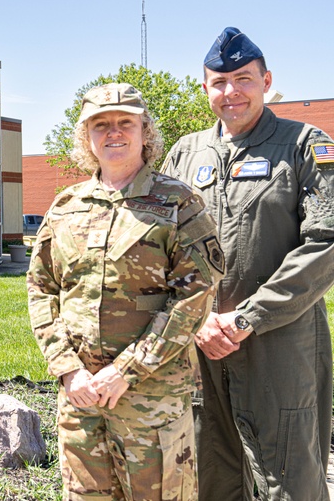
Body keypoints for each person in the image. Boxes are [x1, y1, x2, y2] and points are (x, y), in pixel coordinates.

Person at [161, 27, 334, 501]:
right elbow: (162, 247)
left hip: (280, 343)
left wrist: (246, 317)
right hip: (201, 346)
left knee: (289, 476)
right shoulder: (185, 152)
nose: (231, 91)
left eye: (243, 79)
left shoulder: (304, 144)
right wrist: (195, 319)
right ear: (205, 89)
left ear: (266, 80)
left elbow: (326, 241)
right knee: (210, 469)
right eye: (219, 82)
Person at [27, 83, 223, 501]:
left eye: (125, 123)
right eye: (100, 124)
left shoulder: (179, 203)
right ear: (86, 137)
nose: (113, 132)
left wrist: (126, 371)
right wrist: (66, 368)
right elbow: (41, 288)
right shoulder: (65, 206)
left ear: (145, 131)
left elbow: (195, 296)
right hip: (79, 398)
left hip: (151, 403)